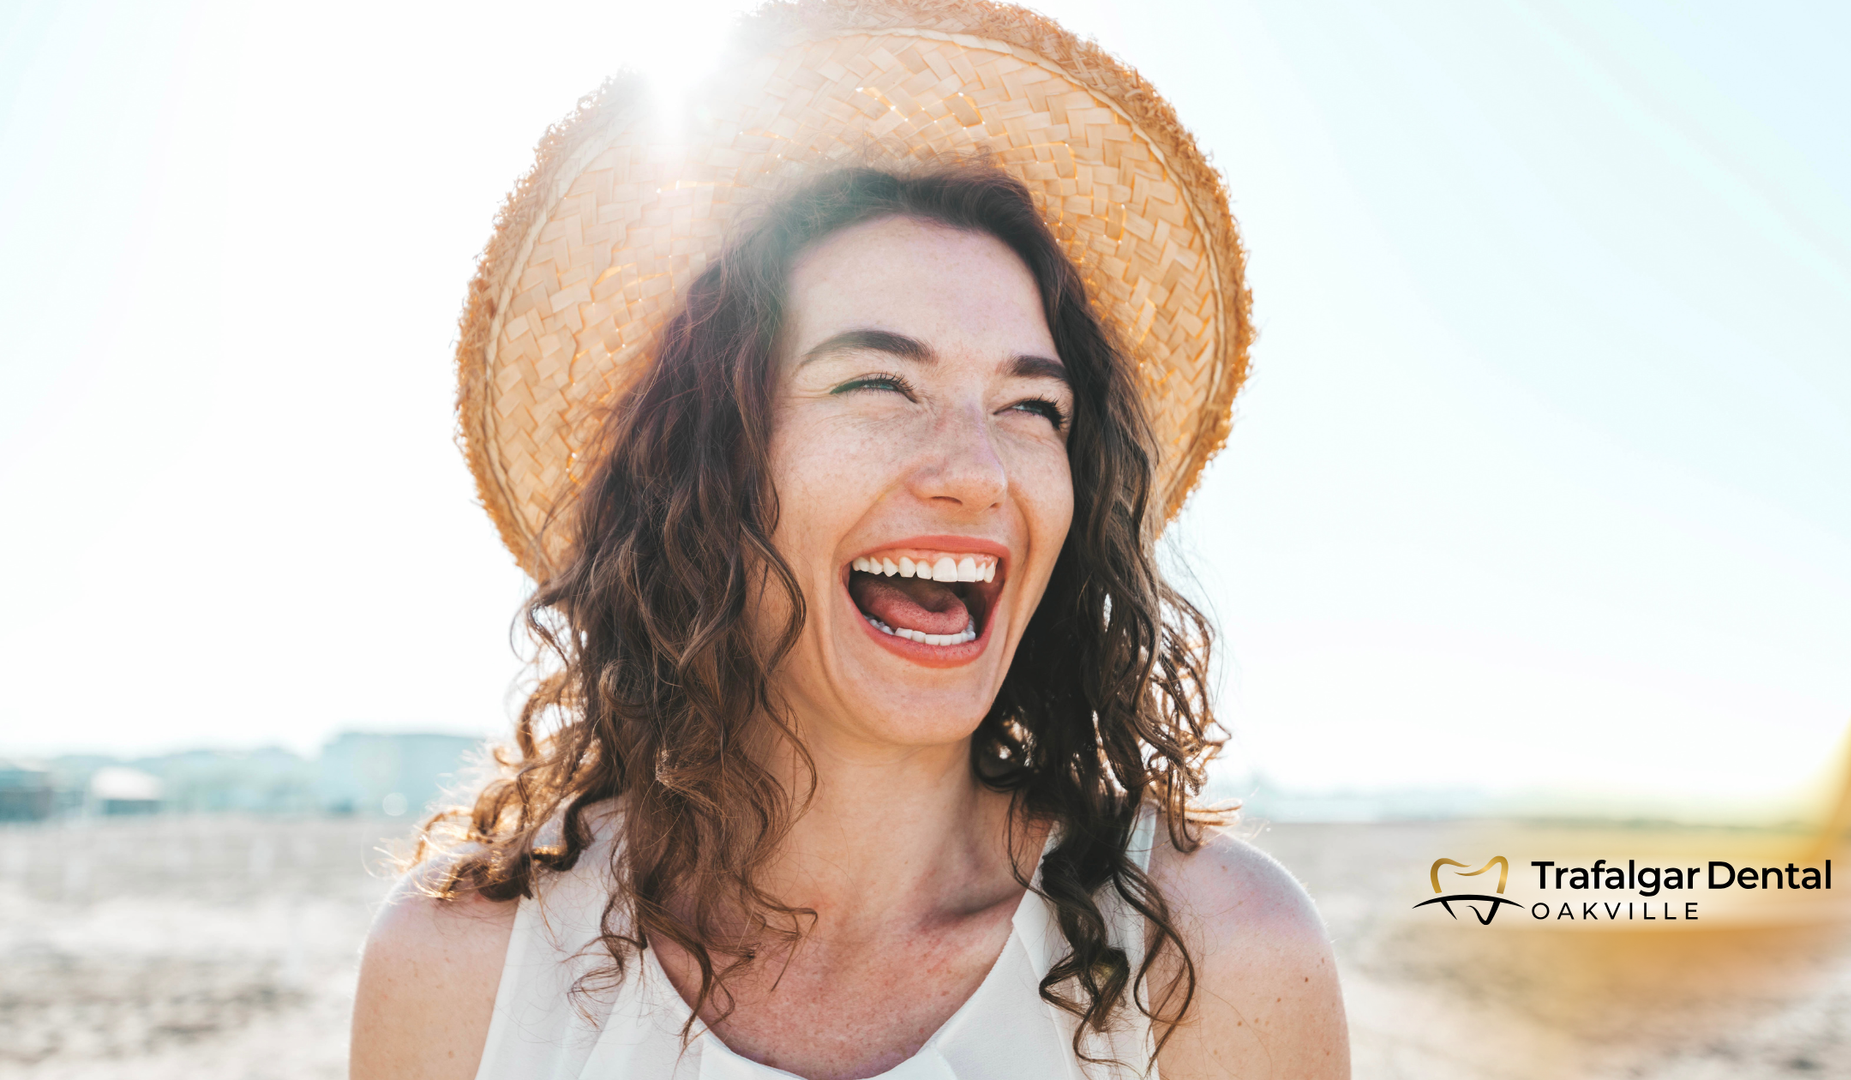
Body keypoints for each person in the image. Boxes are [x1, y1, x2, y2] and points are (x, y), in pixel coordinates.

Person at [351, 4, 1348, 1078]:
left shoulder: (1215, 960)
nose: (977, 469)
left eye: (1032, 406)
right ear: (701, 464)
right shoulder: (466, 968)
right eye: (879, 382)